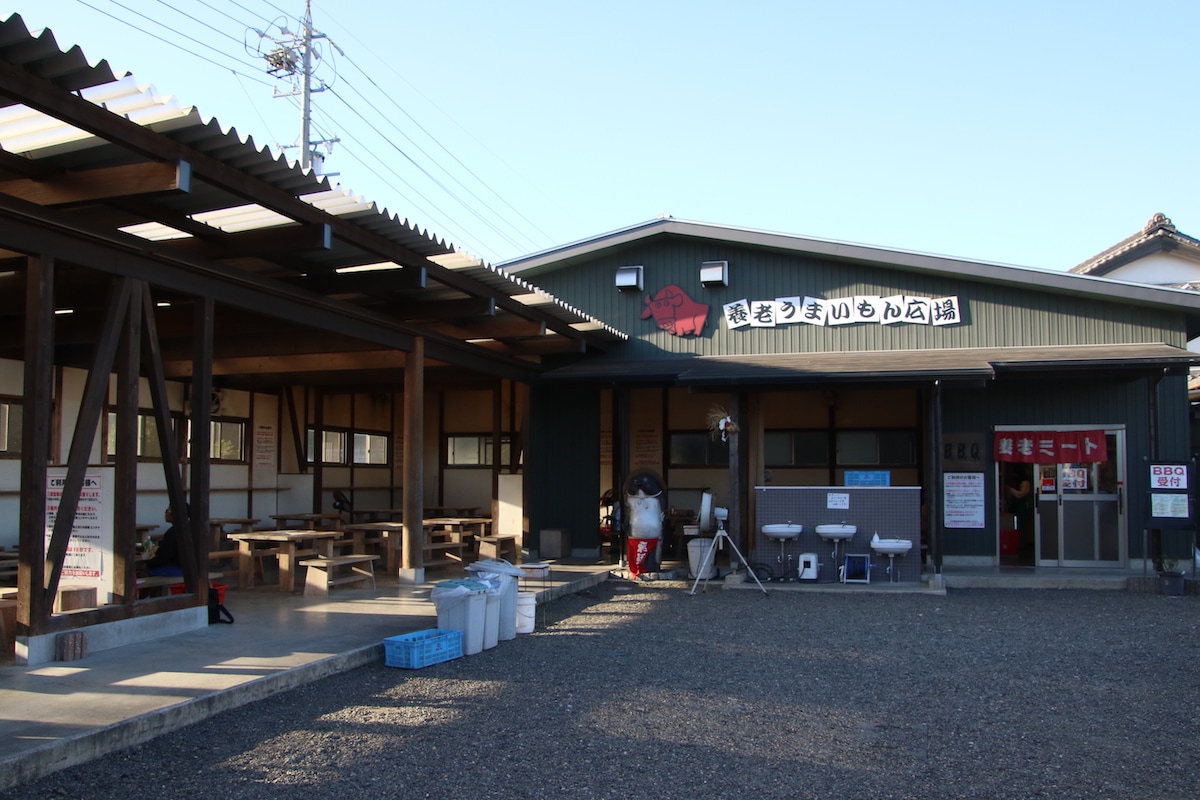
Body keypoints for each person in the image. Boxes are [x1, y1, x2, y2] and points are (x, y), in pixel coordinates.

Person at [146, 503, 188, 577]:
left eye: (167, 510)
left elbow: (164, 557)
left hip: (176, 569)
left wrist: (148, 564)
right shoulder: (188, 528)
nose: (165, 513)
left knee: (147, 572)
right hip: (187, 568)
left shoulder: (173, 532)